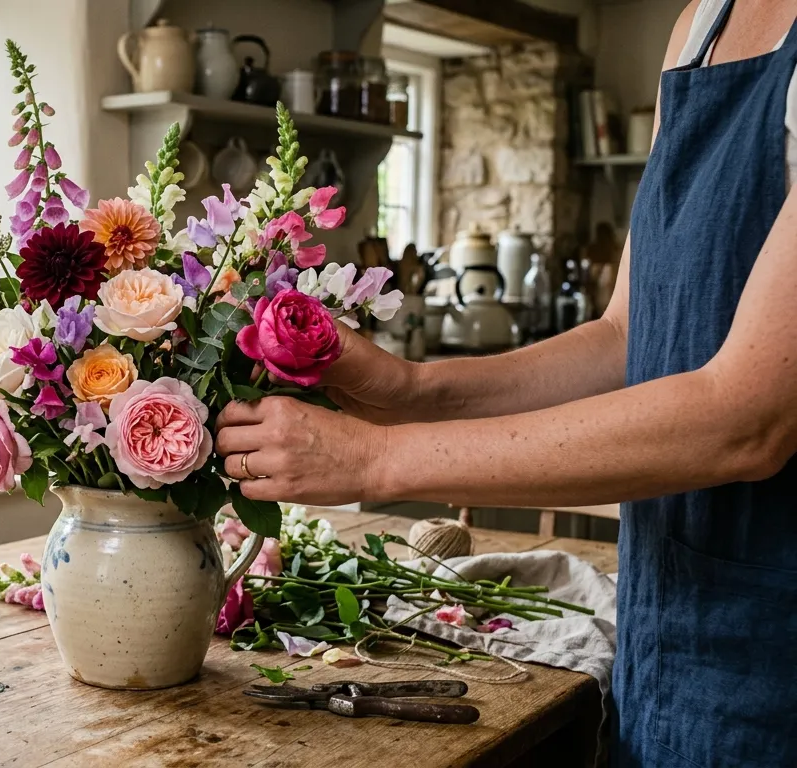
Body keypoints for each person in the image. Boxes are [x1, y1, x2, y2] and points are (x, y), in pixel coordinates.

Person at [215, 0, 797, 764]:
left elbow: (744, 416)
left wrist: (373, 459)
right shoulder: (699, 27)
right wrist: (410, 388)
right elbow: (628, 337)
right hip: (666, 629)